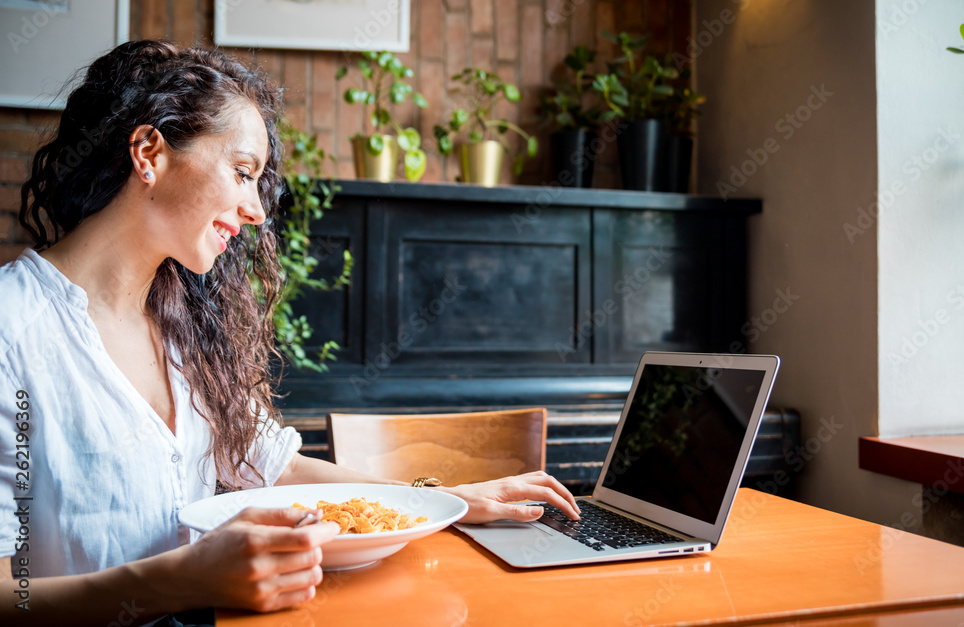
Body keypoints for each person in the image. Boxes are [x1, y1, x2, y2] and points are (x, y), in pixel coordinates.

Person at [0, 40, 580, 626]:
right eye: (243, 172)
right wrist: (178, 582)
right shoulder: (12, 329)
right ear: (150, 152)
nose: (256, 210)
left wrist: (443, 502)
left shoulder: (183, 326)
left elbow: (275, 466)